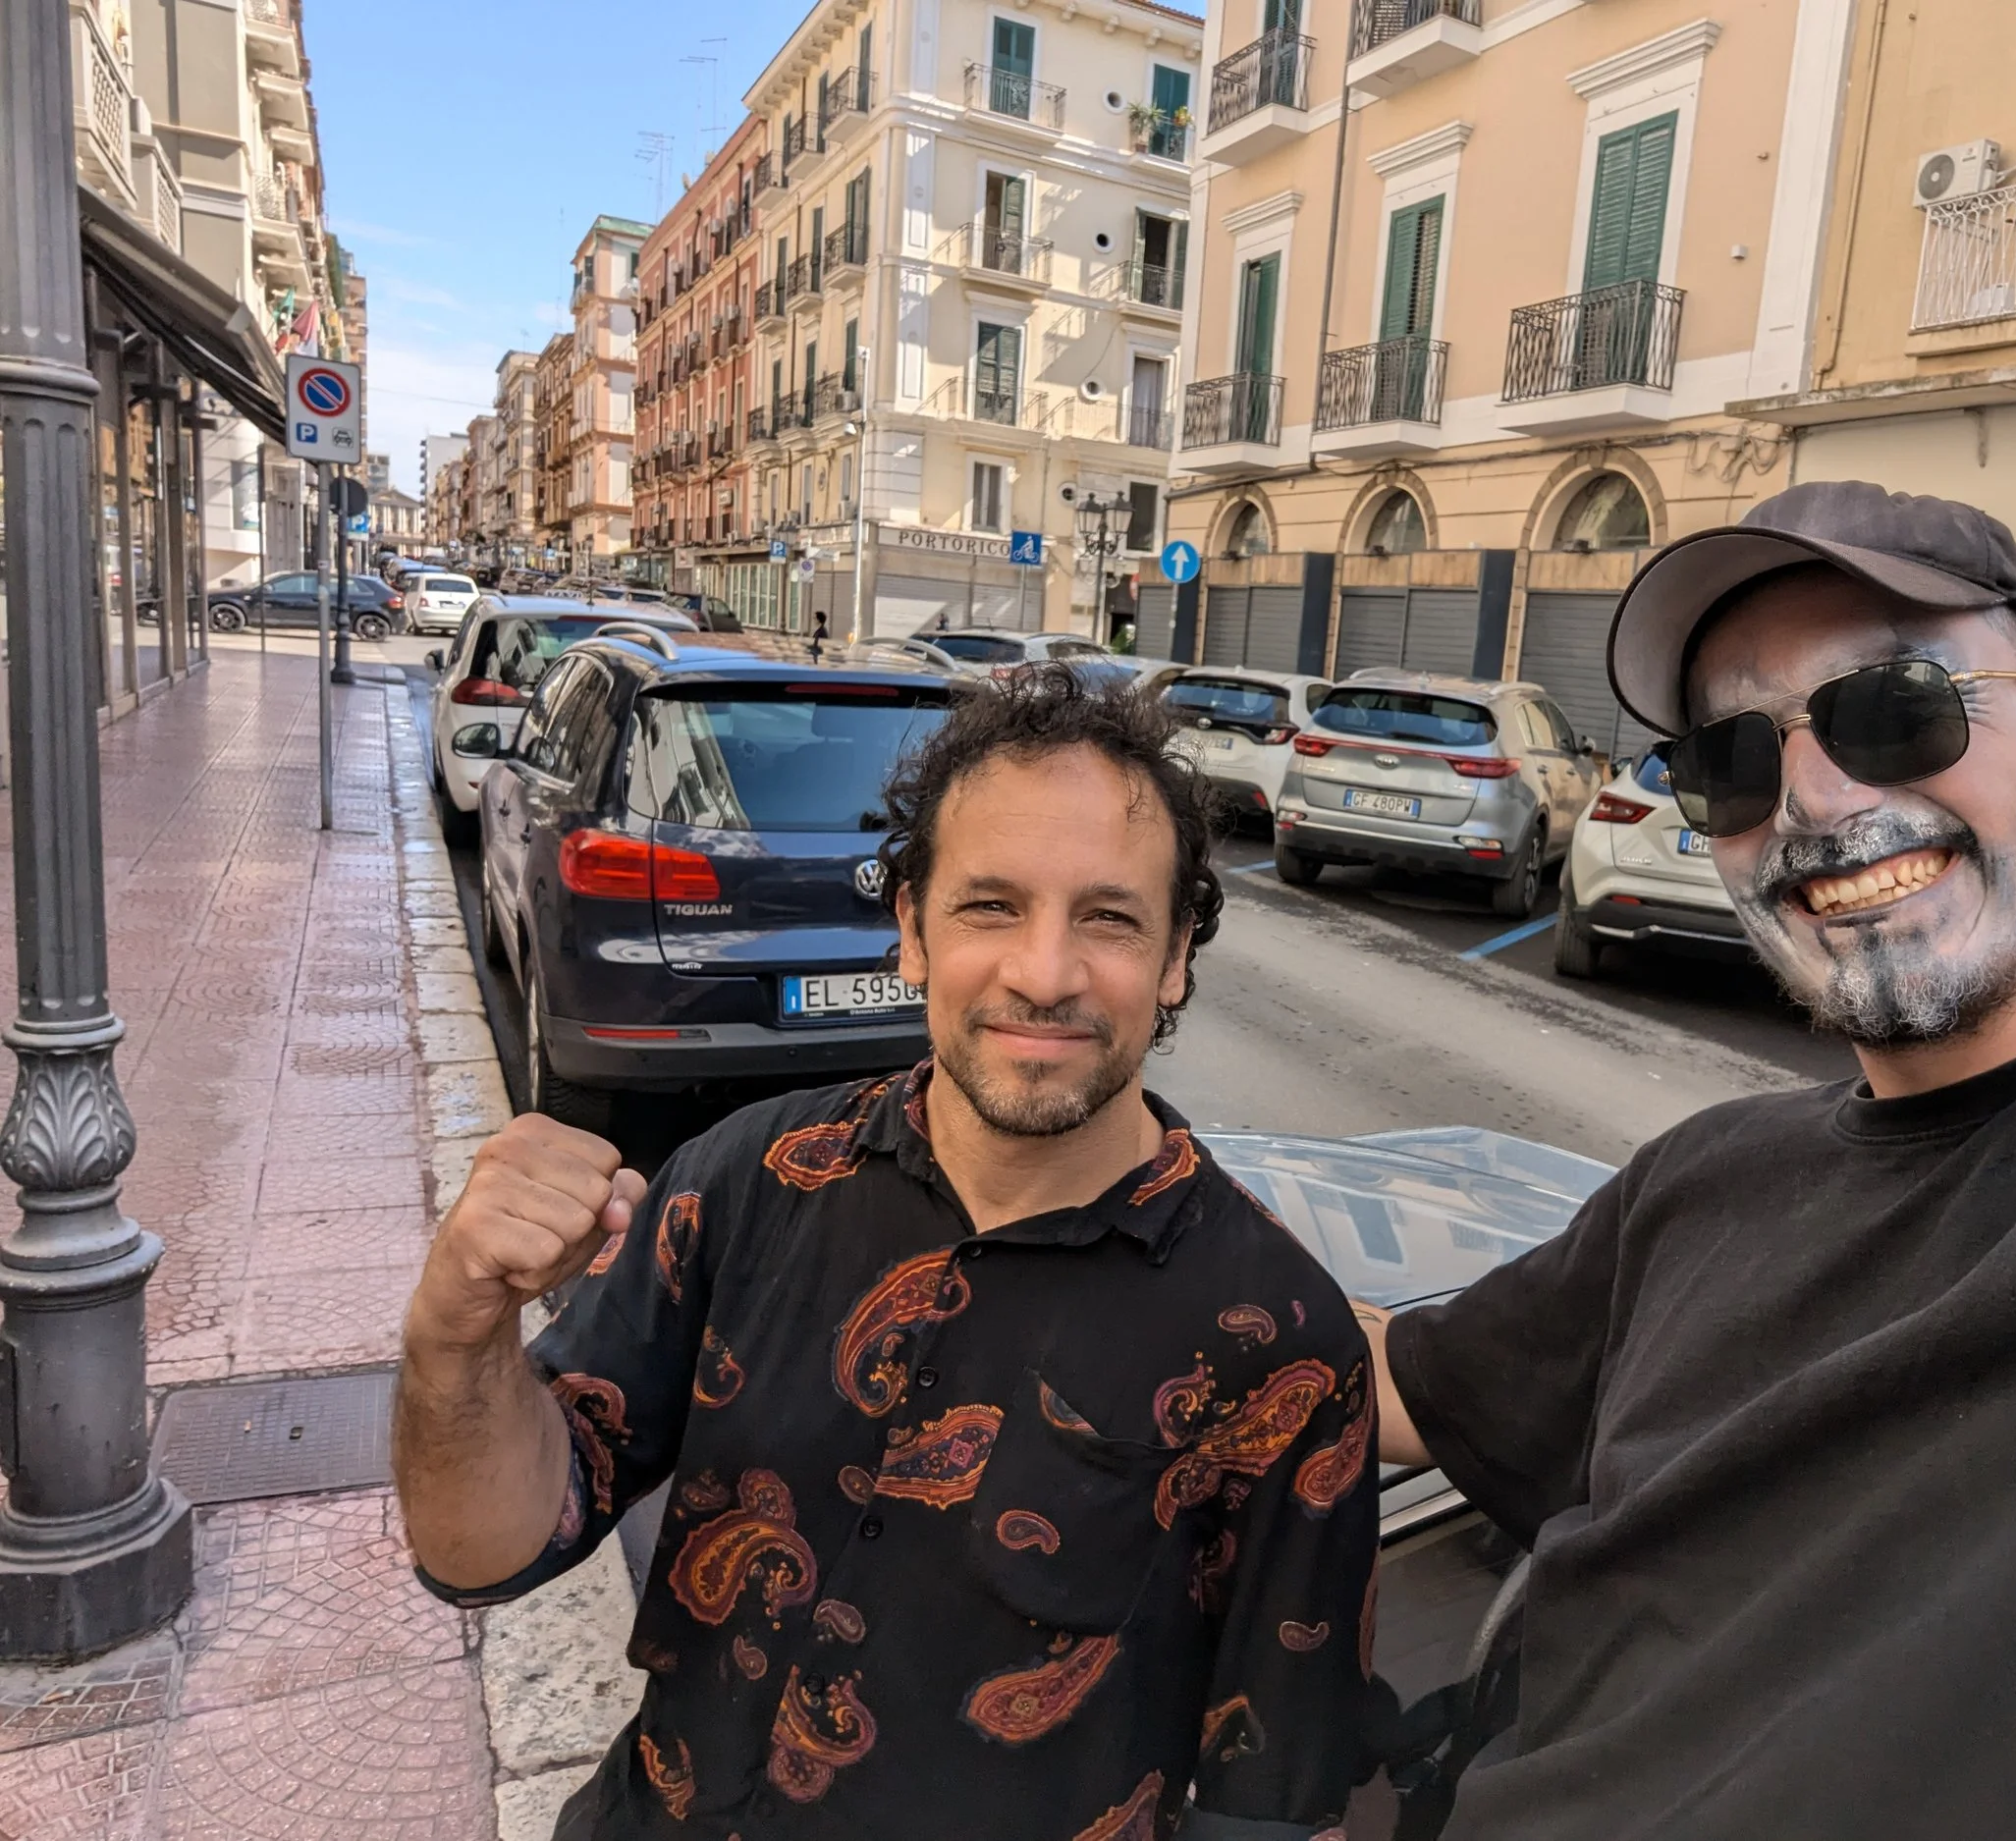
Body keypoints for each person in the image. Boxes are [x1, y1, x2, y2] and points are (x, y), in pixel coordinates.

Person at [1355, 480, 2016, 1841]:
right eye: (1732, 760)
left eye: (1896, 709)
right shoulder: (1699, 1186)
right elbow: (1376, 1383)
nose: (1812, 800)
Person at [396, 672, 1377, 1839]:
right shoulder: (746, 1181)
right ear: (911, 930)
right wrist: (455, 1340)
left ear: (1174, 962)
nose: (1045, 973)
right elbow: (488, 1549)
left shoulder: (1279, 1348)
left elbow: (1274, 1799)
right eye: (990, 907)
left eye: (1109, 919)